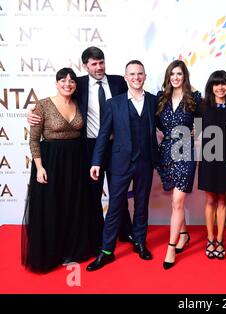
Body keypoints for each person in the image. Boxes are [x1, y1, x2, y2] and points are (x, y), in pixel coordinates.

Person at [27, 46, 134, 245]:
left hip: (117, 146)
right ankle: (95, 234)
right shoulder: (79, 84)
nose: (99, 67)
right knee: (91, 193)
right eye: (94, 64)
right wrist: (31, 110)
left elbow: (136, 99)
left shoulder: (119, 81)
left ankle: (125, 230)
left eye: (101, 62)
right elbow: (59, 100)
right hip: (90, 147)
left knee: (118, 191)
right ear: (85, 66)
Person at [22, 68, 102, 273]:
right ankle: (52, 253)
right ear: (56, 83)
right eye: (63, 80)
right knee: (52, 207)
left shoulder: (79, 103)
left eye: (72, 80)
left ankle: (72, 250)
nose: (68, 83)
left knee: (73, 206)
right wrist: (39, 167)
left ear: (76, 84)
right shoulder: (43, 105)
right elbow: (33, 139)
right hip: (51, 162)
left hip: (77, 162)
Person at [86, 60, 159, 271]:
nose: (136, 77)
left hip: (145, 162)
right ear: (125, 77)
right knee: (115, 206)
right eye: (132, 74)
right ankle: (107, 251)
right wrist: (97, 162)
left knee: (142, 204)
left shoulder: (154, 101)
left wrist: (190, 129)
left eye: (140, 74)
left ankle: (139, 242)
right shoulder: (113, 103)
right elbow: (103, 134)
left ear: (145, 76)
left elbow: (167, 124)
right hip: (120, 162)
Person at [156, 60, 202, 270]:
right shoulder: (161, 98)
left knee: (177, 201)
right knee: (175, 202)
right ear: (168, 77)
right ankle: (183, 234)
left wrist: (196, 130)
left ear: (185, 76)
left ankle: (171, 247)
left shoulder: (195, 97)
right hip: (165, 152)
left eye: (179, 74)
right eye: (172, 74)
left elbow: (203, 121)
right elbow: (157, 124)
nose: (175, 77)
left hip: (185, 152)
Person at [198, 70, 226, 259]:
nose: (220, 87)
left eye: (224, 83)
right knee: (210, 201)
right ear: (211, 87)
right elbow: (194, 132)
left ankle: (220, 239)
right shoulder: (202, 107)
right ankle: (210, 239)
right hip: (208, 160)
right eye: (216, 84)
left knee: (223, 201)